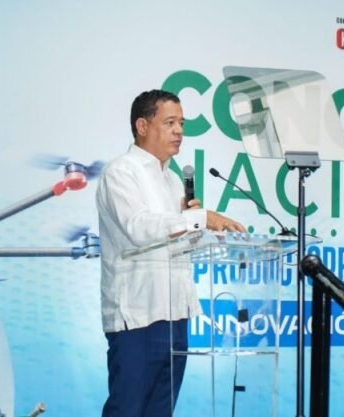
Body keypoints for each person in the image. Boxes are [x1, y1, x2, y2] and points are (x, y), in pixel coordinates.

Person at [96, 89, 245, 417]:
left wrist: (202, 232)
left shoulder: (174, 180)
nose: (179, 131)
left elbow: (179, 244)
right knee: (127, 410)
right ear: (142, 126)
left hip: (176, 313)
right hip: (138, 316)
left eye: (182, 123)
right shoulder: (121, 172)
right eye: (170, 123)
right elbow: (138, 228)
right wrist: (198, 218)